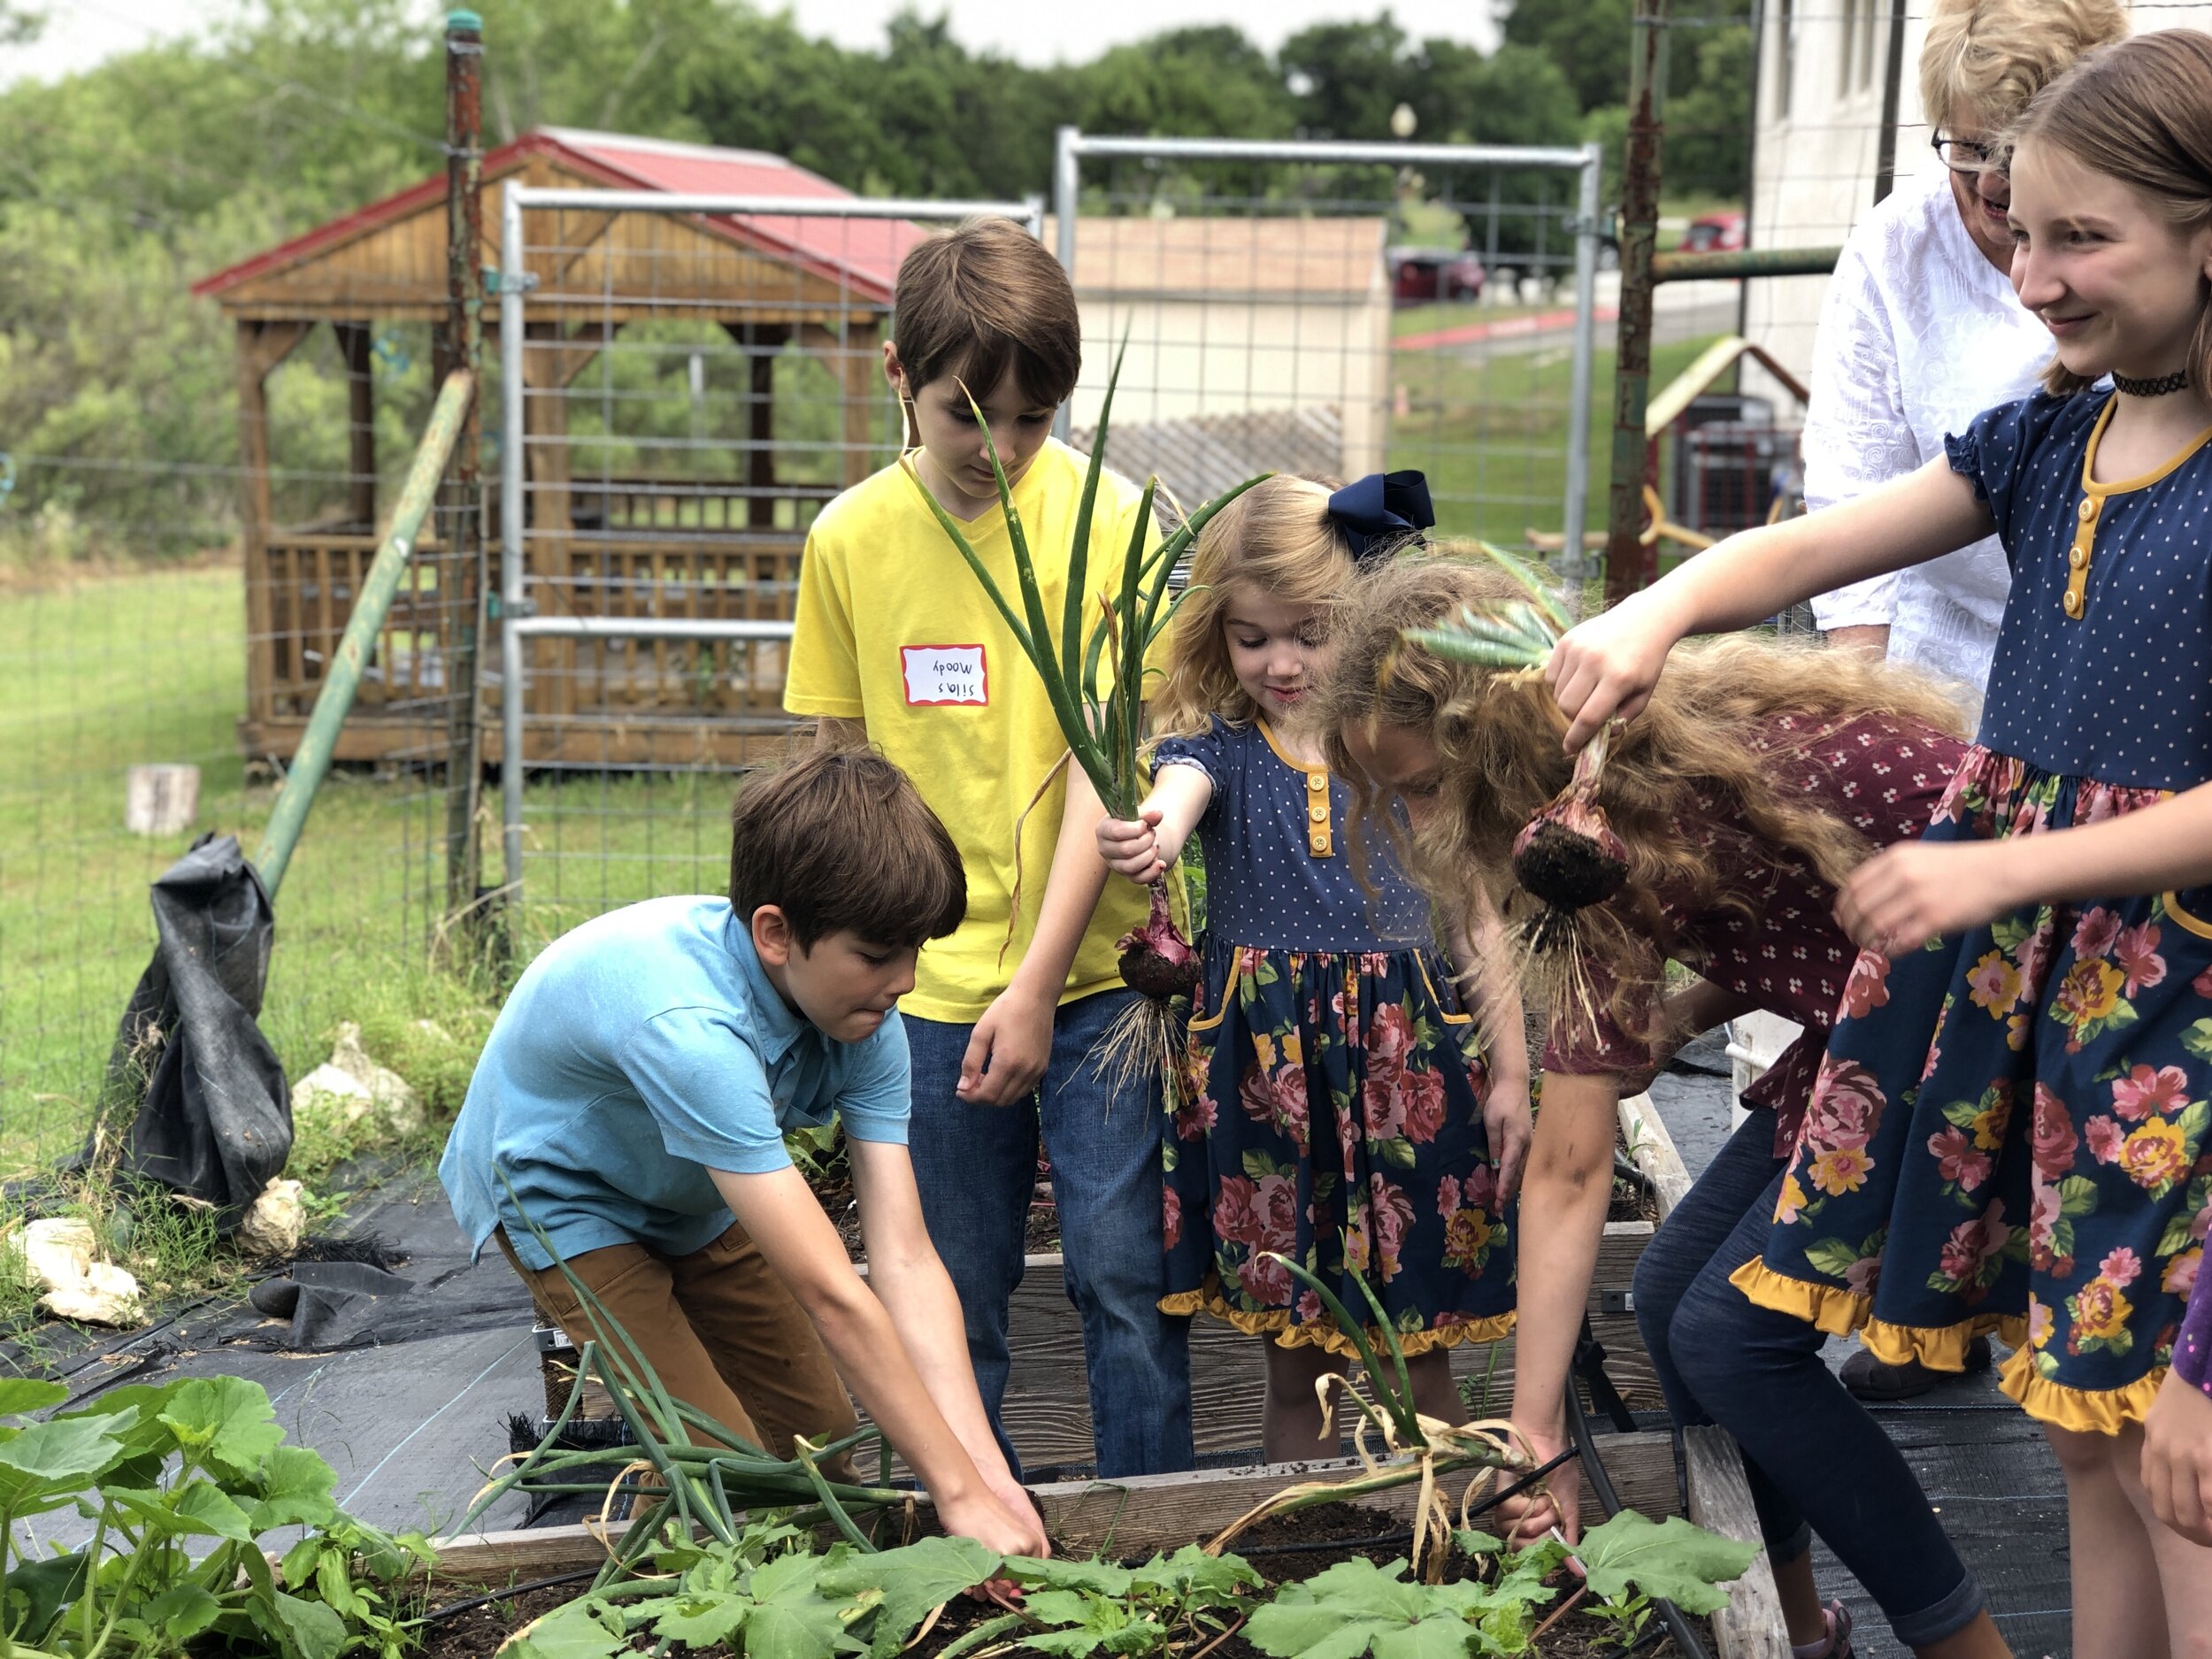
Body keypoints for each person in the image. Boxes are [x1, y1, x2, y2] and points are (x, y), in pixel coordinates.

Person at [1546, 32, 2212, 1654]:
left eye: (2082, 238)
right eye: (2019, 230)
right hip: (2069, 1037)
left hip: (2182, 1047)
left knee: (2191, 1479)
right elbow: (1826, 541)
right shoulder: (2051, 438)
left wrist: (2001, 869)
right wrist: (1665, 601)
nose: (2034, 277)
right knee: (2088, 1439)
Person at [1324, 552, 1996, 1659]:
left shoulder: (1593, 835)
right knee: (1673, 1298)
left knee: (1732, 1340)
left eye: (1422, 789)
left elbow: (1571, 1168)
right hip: (1884, 1024)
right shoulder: (1632, 766)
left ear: (1492, 748)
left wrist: (1533, 1432)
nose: (1417, 819)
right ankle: (1786, 1625)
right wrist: (1680, 1019)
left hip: (1983, 1031)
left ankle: (1961, 1644)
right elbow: (1798, 904)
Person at [783, 218, 1192, 1479]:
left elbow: (1100, 770)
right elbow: (840, 778)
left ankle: (1154, 1530)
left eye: (1035, 419)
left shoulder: (1114, 525)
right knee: (954, 1288)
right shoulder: (851, 540)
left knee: (1127, 1274)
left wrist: (1031, 981)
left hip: (1098, 987)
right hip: (921, 997)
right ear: (898, 372)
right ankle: (984, 1526)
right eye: (974, 417)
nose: (1004, 450)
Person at [438, 750, 1046, 1559]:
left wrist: (980, 1471)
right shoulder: (693, 1029)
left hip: (690, 1186)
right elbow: (832, 1290)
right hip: (565, 1194)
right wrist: (955, 1497)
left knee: (818, 1434)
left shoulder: (867, 1018)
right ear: (774, 933)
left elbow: (903, 1256)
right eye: (875, 954)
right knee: (716, 1459)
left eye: (915, 952)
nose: (903, 981)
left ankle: (790, 1587)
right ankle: (675, 1599)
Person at [1092, 475, 1531, 1464]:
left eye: (1310, 631)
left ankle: (1448, 1536)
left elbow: (1475, 922)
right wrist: (1158, 831)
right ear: (1219, 636)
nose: (1280, 662)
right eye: (1252, 638)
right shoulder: (1220, 752)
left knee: (1420, 1340)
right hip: (1271, 1076)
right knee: (1292, 1354)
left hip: (1404, 1066)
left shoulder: (1401, 745)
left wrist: (1509, 1075)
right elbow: (1179, 791)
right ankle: (1299, 1531)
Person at [1808, 0, 2125, 699]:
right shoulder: (1895, 249)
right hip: (1943, 659)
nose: (1988, 181)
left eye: (2012, 151)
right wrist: (1864, 710)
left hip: (2130, 656)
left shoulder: (2148, 275)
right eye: (1967, 146)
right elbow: (1851, 492)